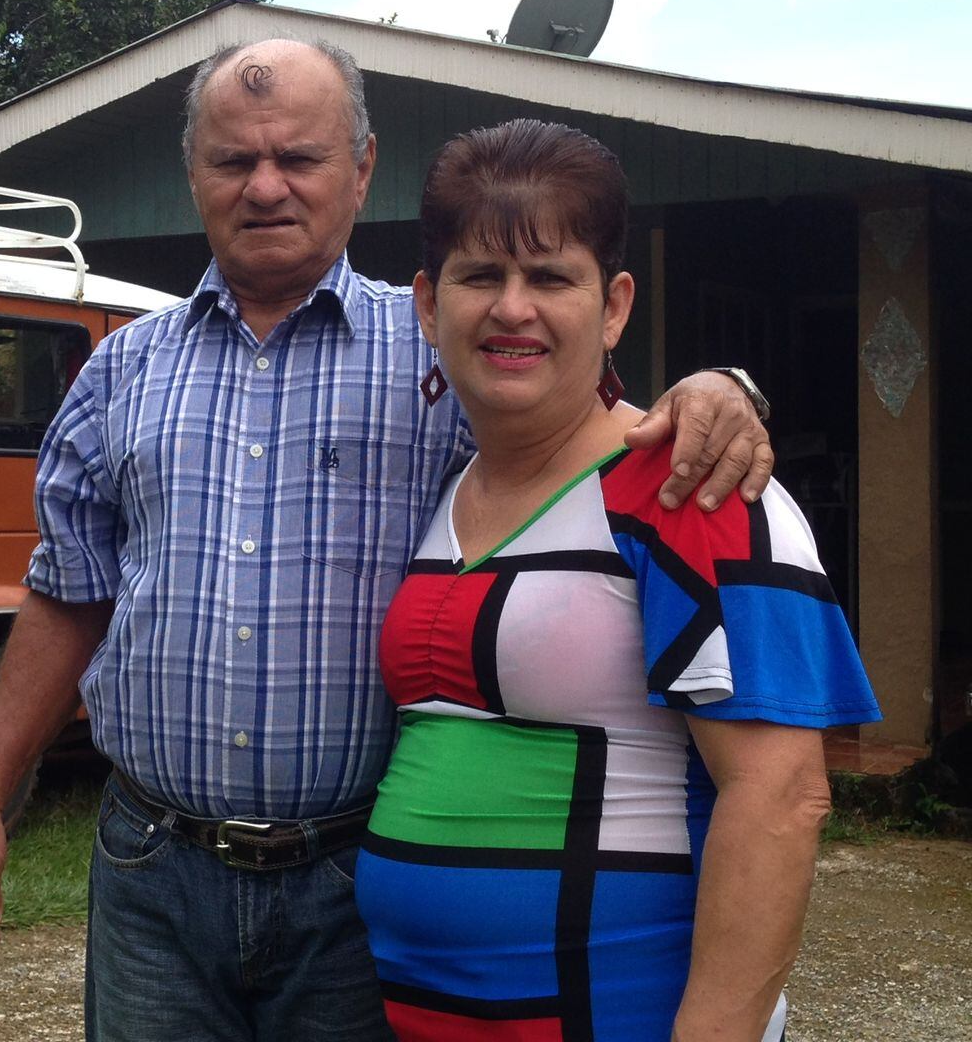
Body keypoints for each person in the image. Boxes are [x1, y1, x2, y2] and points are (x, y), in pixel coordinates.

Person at [0, 39, 774, 1041]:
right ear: (193, 172)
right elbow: (69, 595)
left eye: (299, 157)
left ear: (362, 167)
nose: (266, 187)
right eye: (234, 160)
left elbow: (590, 424)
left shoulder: (449, 350)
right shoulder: (119, 373)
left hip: (353, 880)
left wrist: (721, 389)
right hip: (151, 871)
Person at [357, 118, 879, 1041]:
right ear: (428, 304)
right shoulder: (444, 491)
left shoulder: (691, 491)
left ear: (613, 306)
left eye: (551, 277)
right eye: (480, 276)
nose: (512, 307)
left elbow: (781, 798)